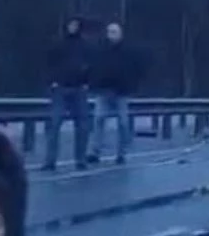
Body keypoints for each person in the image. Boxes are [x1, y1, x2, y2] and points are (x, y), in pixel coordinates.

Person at [86, 21, 143, 165]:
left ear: (120, 34)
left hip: (121, 92)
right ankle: (94, 152)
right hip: (104, 90)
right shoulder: (101, 50)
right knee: (98, 120)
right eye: (109, 32)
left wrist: (131, 86)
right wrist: (94, 84)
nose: (111, 35)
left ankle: (121, 153)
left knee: (123, 123)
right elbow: (95, 68)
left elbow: (134, 70)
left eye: (114, 32)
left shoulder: (128, 51)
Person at [41, 17, 92, 171]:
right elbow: (48, 63)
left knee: (82, 126)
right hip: (61, 88)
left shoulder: (85, 45)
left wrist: (87, 82)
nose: (73, 27)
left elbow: (92, 65)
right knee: (54, 124)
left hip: (79, 89)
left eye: (76, 25)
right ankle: (50, 161)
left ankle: (80, 160)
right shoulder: (58, 44)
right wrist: (52, 81)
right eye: (71, 25)